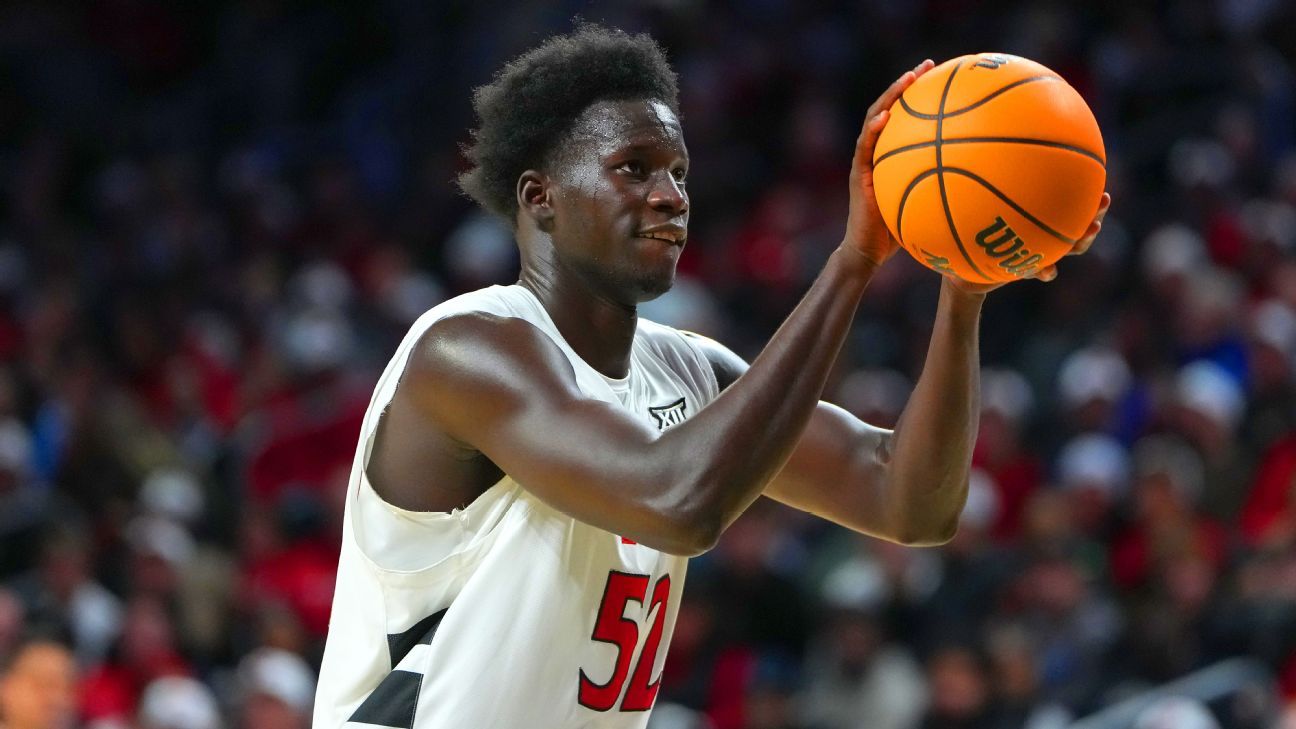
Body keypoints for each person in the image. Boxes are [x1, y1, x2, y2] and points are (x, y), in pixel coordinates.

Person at [314, 24, 1110, 728]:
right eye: (633, 168)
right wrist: (855, 260)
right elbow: (677, 503)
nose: (669, 197)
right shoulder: (468, 349)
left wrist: (964, 287)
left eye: (679, 173)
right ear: (540, 196)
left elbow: (910, 502)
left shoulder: (686, 369)